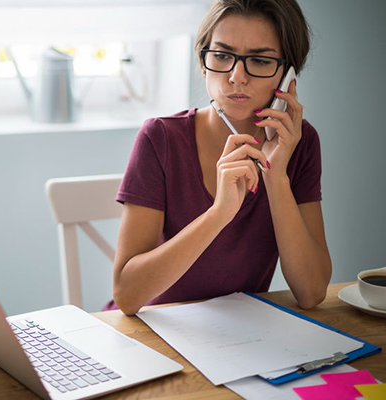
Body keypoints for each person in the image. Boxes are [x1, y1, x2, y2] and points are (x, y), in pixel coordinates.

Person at [105, 0, 332, 315]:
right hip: (151, 332)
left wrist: (276, 177)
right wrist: (220, 213)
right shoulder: (159, 139)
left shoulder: (301, 144)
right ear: (203, 62)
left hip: (239, 338)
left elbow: (311, 292)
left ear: (288, 75)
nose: (237, 77)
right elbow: (127, 296)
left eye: (260, 60)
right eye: (223, 56)